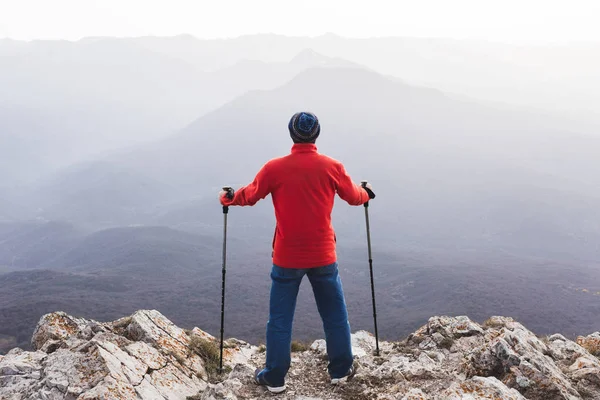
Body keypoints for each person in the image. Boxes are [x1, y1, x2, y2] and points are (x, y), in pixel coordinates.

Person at [219, 111, 375, 394]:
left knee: (280, 318)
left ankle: (275, 376)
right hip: (323, 255)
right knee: (335, 314)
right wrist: (367, 193)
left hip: (286, 257)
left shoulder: (275, 168)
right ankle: (340, 370)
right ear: (316, 134)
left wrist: (230, 197)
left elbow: (250, 195)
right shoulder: (331, 167)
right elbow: (354, 196)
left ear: (292, 134)